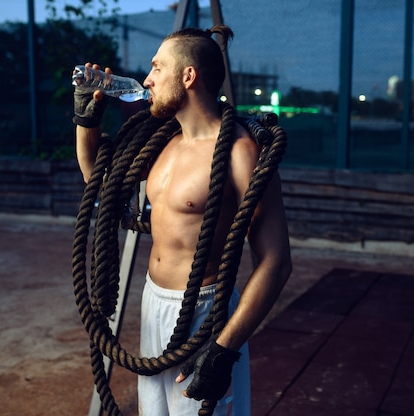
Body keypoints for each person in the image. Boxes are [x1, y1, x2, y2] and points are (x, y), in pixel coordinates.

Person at [73, 25, 292, 416]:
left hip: (205, 315)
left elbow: (276, 261)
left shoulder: (241, 151)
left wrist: (224, 348)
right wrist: (85, 123)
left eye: (158, 68)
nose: (146, 79)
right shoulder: (161, 143)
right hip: (153, 301)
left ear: (188, 76)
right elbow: (100, 184)